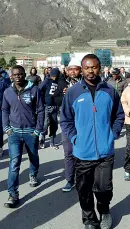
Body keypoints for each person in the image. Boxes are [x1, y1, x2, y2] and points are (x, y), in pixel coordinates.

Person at [60, 54, 125, 229]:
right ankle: (89, 219)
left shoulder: (110, 91)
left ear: (100, 67)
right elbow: (65, 120)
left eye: (94, 67)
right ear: (82, 69)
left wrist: (113, 134)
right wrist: (75, 138)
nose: (91, 71)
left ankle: (104, 211)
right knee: (84, 189)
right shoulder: (73, 92)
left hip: (105, 152)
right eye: (87, 67)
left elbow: (119, 115)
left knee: (104, 189)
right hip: (82, 153)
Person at [2, 65, 45, 208]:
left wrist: (38, 130)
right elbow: (4, 110)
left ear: (25, 75)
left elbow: (41, 110)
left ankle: (33, 173)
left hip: (30, 131)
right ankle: (12, 194)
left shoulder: (34, 90)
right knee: (14, 163)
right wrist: (6, 128)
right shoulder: (8, 92)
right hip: (14, 133)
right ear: (11, 76)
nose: (18, 77)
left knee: (33, 156)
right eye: (15, 75)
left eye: (20, 74)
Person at [61, 58, 82, 192]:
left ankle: (82, 179)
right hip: (67, 123)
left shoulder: (87, 83)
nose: (72, 72)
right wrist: (62, 95)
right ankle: (70, 179)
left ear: (80, 70)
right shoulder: (61, 82)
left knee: (81, 153)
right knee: (68, 152)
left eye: (75, 69)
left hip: (82, 122)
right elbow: (52, 100)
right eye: (70, 69)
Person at [39, 68, 60, 149]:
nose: (54, 77)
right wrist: (42, 101)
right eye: (53, 76)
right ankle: (42, 140)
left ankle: (52, 142)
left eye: (56, 76)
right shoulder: (46, 81)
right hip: (46, 106)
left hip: (55, 106)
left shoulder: (59, 82)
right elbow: (39, 90)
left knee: (54, 125)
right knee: (45, 124)